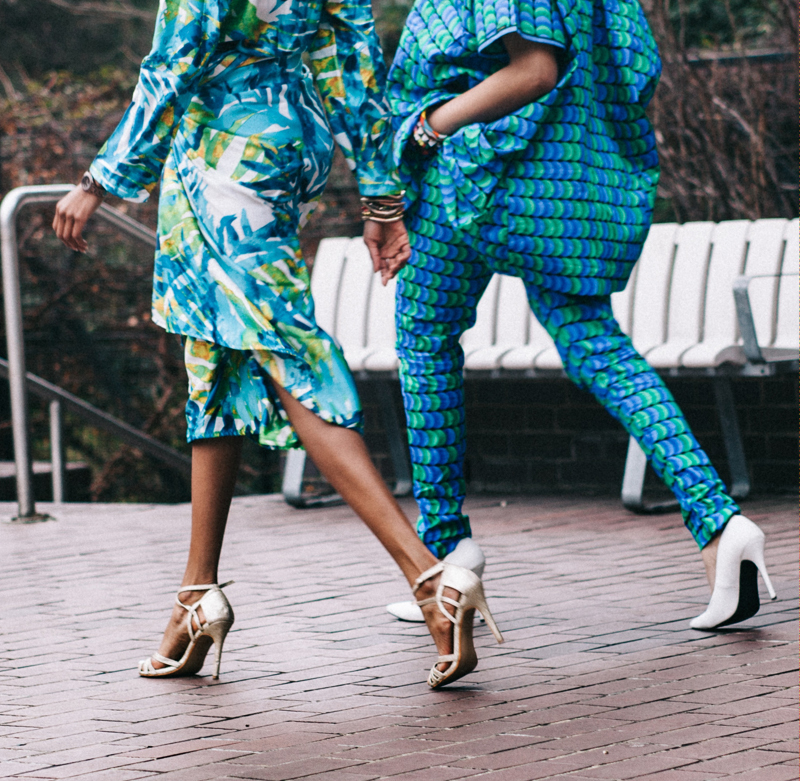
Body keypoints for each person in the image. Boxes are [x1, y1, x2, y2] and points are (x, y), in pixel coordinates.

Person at [52, 0, 503, 689]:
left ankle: (430, 580)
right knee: (219, 365)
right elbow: (353, 74)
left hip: (220, 165)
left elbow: (170, 68)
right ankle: (195, 596)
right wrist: (381, 200)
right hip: (288, 153)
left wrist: (99, 181)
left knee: (292, 360)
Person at [384, 0, 776, 631]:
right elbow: (626, 67)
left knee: (425, 339)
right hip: (556, 182)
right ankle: (720, 526)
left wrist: (431, 126)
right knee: (598, 346)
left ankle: (446, 556)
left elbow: (534, 68)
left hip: (476, 173)